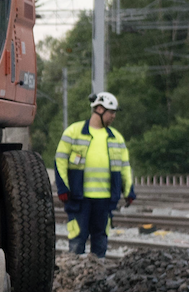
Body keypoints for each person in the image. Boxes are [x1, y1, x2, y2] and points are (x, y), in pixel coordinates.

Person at [55, 91, 135, 257]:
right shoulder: (73, 132)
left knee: (100, 240)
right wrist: (62, 187)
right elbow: (60, 161)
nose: (113, 116)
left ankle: (97, 274)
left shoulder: (116, 138)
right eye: (111, 112)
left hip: (104, 200)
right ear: (99, 109)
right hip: (79, 198)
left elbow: (125, 167)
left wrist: (129, 190)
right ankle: (74, 275)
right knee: (77, 239)